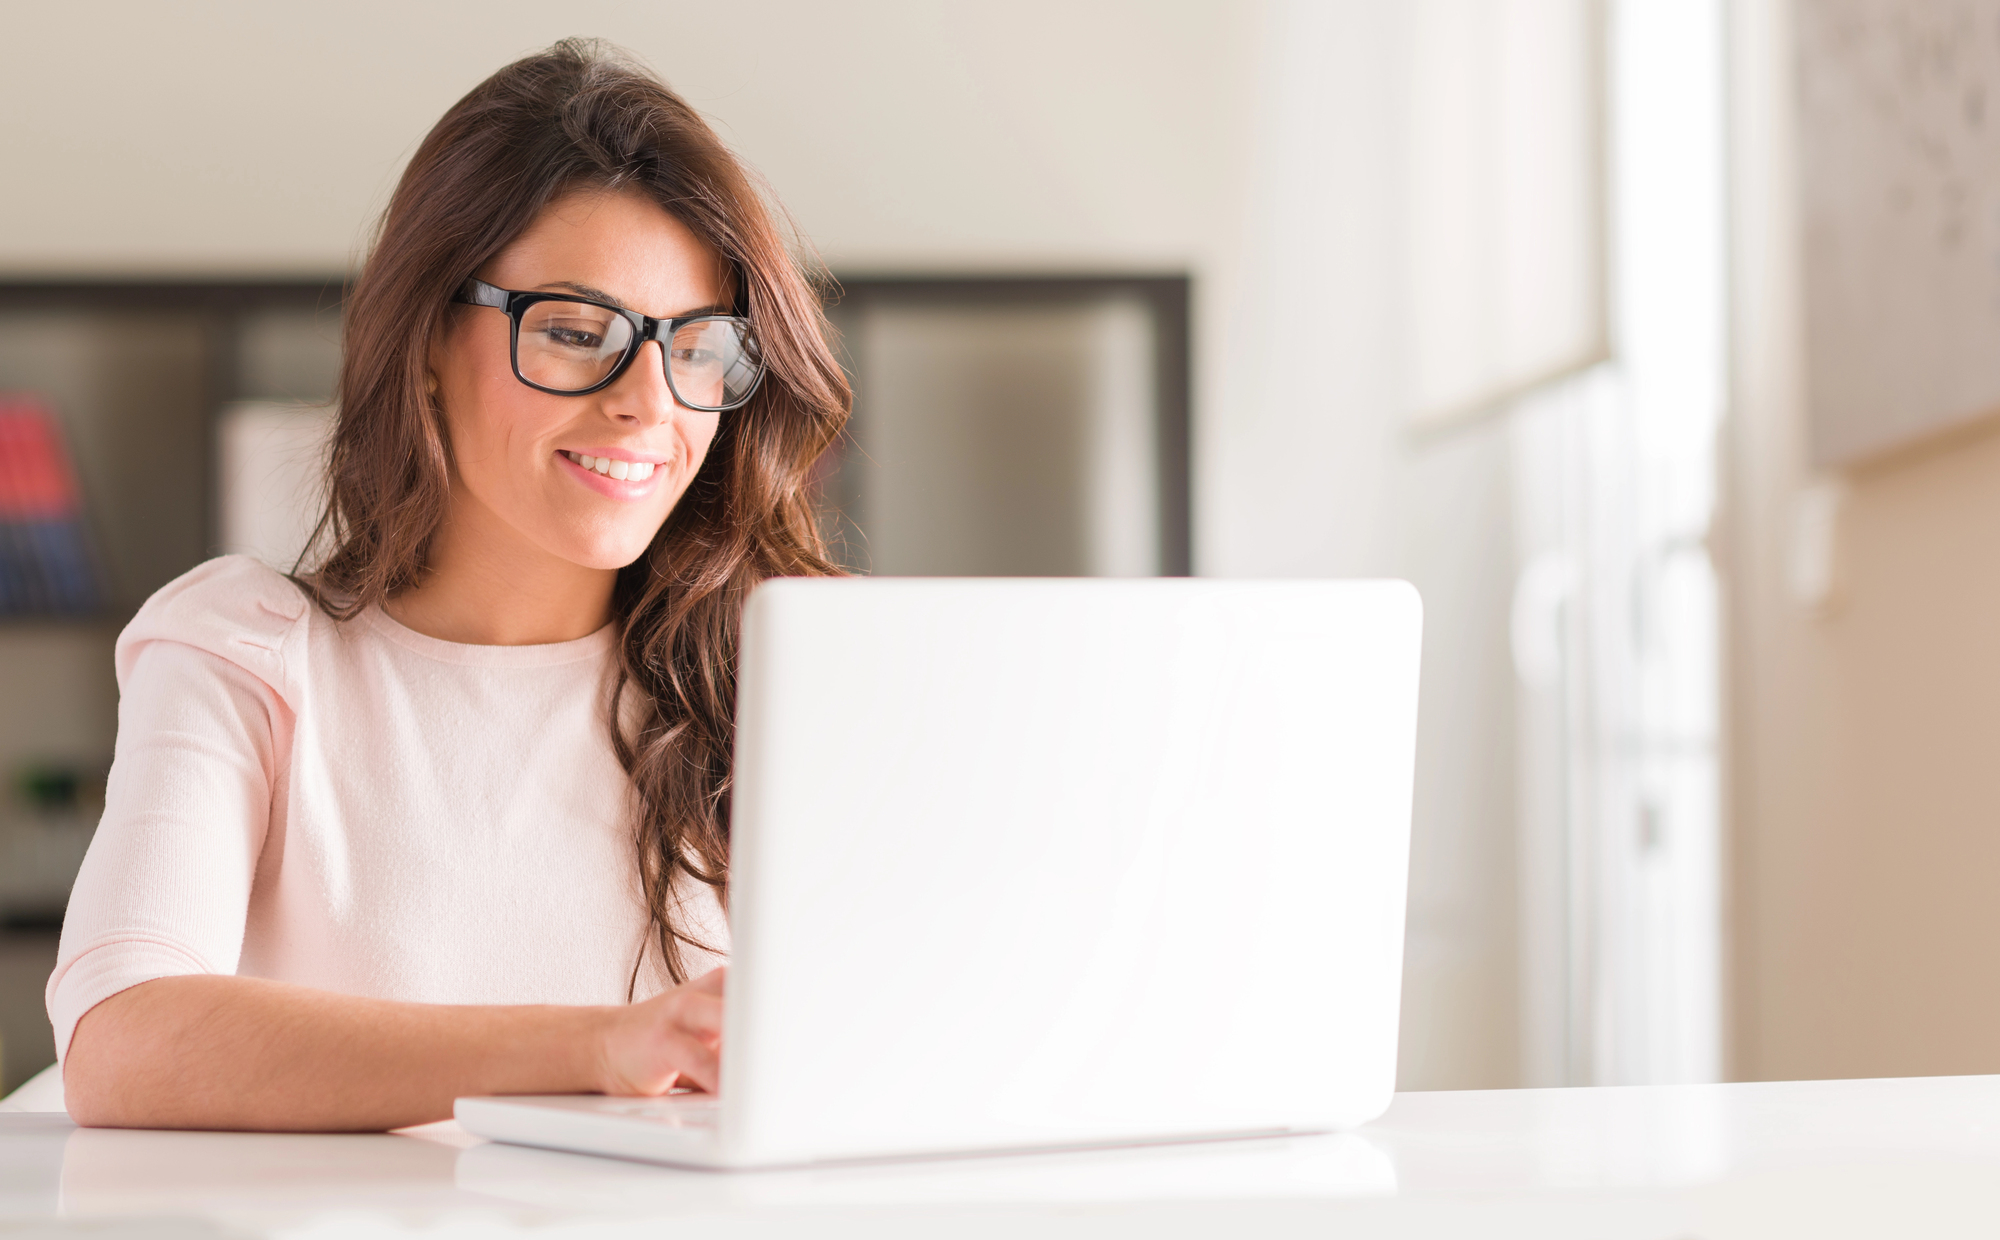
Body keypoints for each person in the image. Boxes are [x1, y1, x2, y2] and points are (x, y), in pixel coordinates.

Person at [47, 39, 849, 1131]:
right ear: (426, 334)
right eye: (576, 332)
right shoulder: (245, 647)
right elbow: (122, 1038)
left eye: (700, 348)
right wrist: (596, 1046)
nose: (649, 403)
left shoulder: (786, 677)